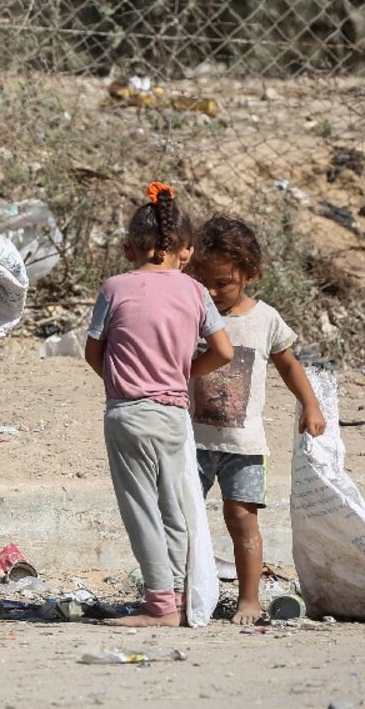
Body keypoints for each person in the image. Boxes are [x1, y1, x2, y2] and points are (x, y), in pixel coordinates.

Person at [84, 182, 233, 627]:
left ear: (132, 248)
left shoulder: (114, 288)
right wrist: (181, 375)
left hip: (127, 412)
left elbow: (94, 351)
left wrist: (122, 380)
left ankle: (160, 605)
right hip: (173, 415)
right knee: (174, 506)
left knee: (140, 508)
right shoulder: (195, 292)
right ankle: (182, 601)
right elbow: (223, 352)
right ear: (183, 249)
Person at [186, 215, 326, 625]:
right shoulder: (193, 313)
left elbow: (288, 364)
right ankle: (182, 594)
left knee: (242, 519)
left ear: (250, 273)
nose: (212, 292)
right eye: (204, 281)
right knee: (181, 518)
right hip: (191, 440)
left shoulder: (265, 319)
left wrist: (310, 405)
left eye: (223, 283)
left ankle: (249, 599)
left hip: (245, 447)